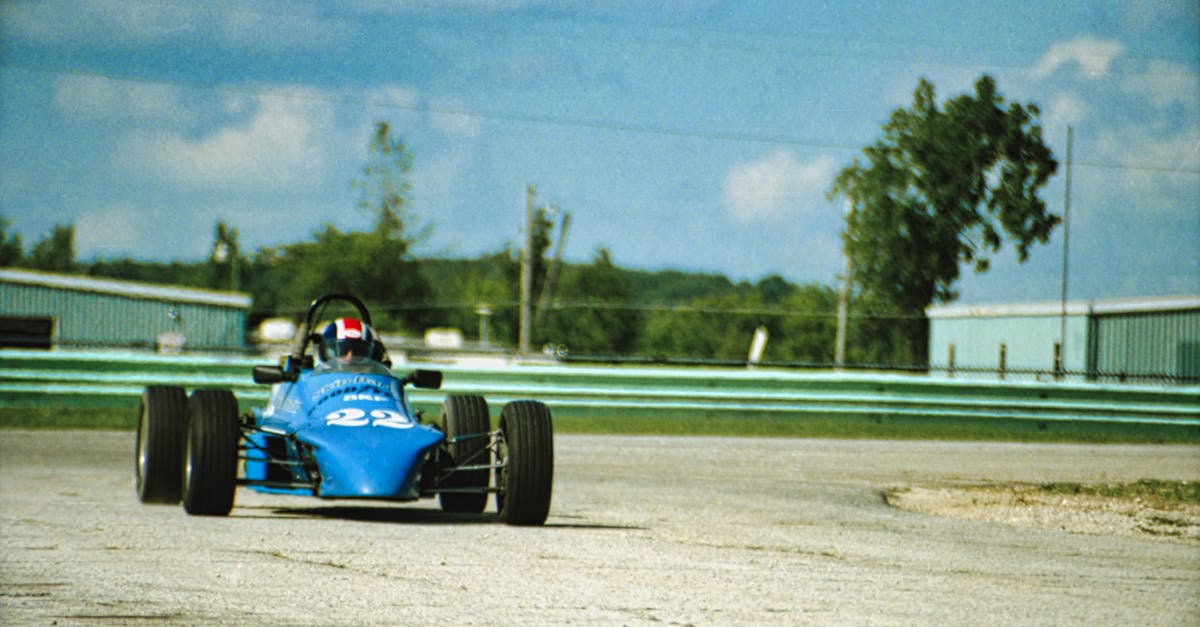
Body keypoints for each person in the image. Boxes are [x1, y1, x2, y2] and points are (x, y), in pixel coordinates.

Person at [317, 318, 390, 371]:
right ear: (328, 352)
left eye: (358, 351)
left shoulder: (381, 382)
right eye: (344, 350)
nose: (350, 357)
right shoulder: (313, 381)